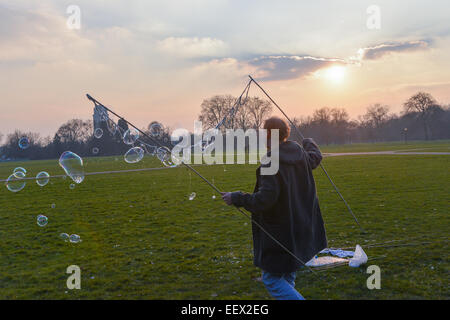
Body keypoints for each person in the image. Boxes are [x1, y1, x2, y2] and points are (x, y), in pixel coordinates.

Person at [221, 116, 327, 300]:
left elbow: (264, 200)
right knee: (287, 275)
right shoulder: (300, 153)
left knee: (271, 280)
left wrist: (236, 197)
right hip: (301, 227)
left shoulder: (271, 160)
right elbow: (315, 157)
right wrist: (309, 142)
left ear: (269, 135)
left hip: (283, 232)